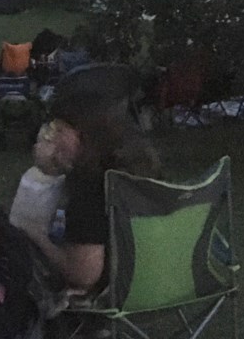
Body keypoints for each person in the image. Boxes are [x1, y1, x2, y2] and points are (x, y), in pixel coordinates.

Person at [18, 65, 161, 296]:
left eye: (59, 129)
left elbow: (83, 275)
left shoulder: (91, 187)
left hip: (113, 290)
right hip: (159, 278)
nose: (50, 136)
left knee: (15, 243)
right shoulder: (141, 165)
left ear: (85, 134)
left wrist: (34, 234)